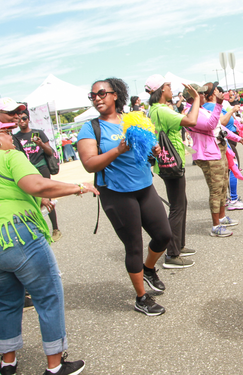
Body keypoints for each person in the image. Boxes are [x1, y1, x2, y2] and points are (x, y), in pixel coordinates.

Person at [0, 118, 96, 375]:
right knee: (48, 295)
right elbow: (34, 184)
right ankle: (55, 366)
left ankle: (8, 362)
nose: (10, 137)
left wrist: (38, 200)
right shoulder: (10, 156)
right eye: (5, 132)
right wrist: (78, 187)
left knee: (6, 301)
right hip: (16, 235)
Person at [76, 77, 172, 316]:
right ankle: (141, 297)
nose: (97, 98)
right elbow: (89, 164)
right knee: (133, 246)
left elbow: (148, 146)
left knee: (163, 235)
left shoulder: (135, 118)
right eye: (93, 95)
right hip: (116, 193)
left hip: (144, 186)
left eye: (101, 93)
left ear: (115, 94)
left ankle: (148, 269)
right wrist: (117, 149)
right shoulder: (91, 128)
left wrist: (154, 149)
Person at [146, 74, 201, 269]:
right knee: (177, 206)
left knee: (181, 203)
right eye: (168, 86)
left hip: (166, 162)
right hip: (171, 164)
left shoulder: (153, 110)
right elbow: (192, 121)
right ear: (162, 90)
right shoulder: (162, 110)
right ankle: (172, 254)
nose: (171, 89)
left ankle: (178, 245)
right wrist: (197, 100)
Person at [184, 82, 243, 237]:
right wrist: (219, 104)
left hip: (218, 150)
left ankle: (222, 217)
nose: (204, 95)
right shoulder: (190, 112)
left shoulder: (201, 109)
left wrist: (237, 137)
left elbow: (219, 127)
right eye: (201, 93)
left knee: (223, 185)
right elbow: (210, 124)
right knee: (216, 189)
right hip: (208, 155)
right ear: (193, 96)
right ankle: (215, 226)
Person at [15, 110, 63, 242]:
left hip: (42, 168)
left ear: (28, 119)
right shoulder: (16, 137)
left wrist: (41, 144)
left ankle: (55, 229)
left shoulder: (38, 133)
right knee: (32, 200)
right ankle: (39, 231)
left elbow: (49, 151)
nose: (22, 121)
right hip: (27, 170)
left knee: (47, 197)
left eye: (24, 118)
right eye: (19, 119)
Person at [207, 86, 243, 211]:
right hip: (222, 140)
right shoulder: (211, 107)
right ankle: (233, 199)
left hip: (226, 138)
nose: (219, 92)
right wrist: (232, 111)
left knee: (227, 169)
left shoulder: (212, 105)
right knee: (232, 168)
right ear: (210, 95)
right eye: (216, 91)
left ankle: (227, 199)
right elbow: (222, 123)